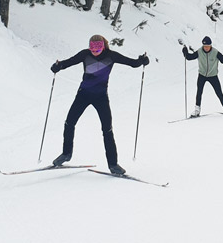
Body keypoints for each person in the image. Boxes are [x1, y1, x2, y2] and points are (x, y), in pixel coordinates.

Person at [50, 35, 149, 175]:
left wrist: (142, 60)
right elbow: (68, 62)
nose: (95, 51)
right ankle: (66, 154)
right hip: (83, 94)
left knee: (107, 130)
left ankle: (113, 165)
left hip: (101, 97)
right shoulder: (84, 54)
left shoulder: (111, 56)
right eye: (92, 48)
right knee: (69, 123)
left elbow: (132, 63)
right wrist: (58, 66)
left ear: (103, 46)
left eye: (98, 48)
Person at [182, 36, 223, 117]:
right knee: (199, 92)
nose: (206, 48)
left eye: (208, 46)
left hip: (213, 75)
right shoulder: (199, 51)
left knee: (219, 92)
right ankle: (197, 110)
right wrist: (185, 53)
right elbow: (190, 57)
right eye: (205, 46)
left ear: (211, 45)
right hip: (202, 75)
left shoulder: (215, 52)